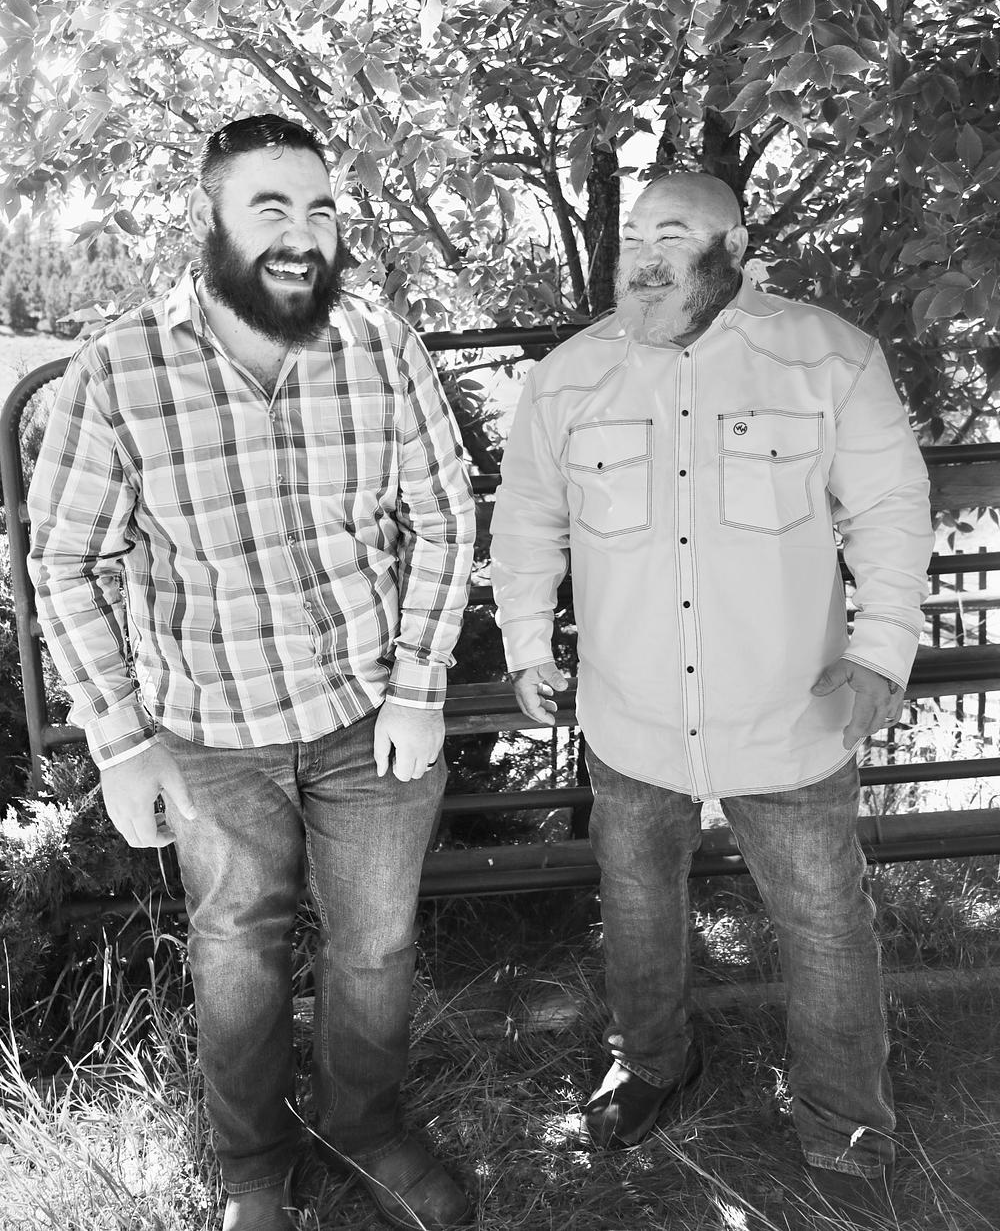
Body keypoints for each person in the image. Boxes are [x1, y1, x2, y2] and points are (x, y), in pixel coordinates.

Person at [28, 115, 476, 1231]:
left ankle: (366, 1130)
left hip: (371, 717)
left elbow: (444, 516)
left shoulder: (379, 345)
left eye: (320, 209)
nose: (302, 235)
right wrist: (120, 742)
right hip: (209, 732)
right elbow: (65, 559)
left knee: (374, 945)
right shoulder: (120, 368)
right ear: (211, 218)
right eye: (270, 207)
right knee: (236, 951)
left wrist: (420, 683)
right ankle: (254, 1168)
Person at [490, 172, 932, 1227]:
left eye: (674, 234)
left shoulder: (828, 357)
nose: (644, 254)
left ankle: (844, 1118)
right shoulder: (569, 376)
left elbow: (890, 508)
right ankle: (650, 1062)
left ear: (733, 246)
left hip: (790, 712)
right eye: (636, 235)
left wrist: (880, 654)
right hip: (631, 714)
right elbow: (527, 516)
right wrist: (524, 642)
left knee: (824, 921)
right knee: (638, 902)